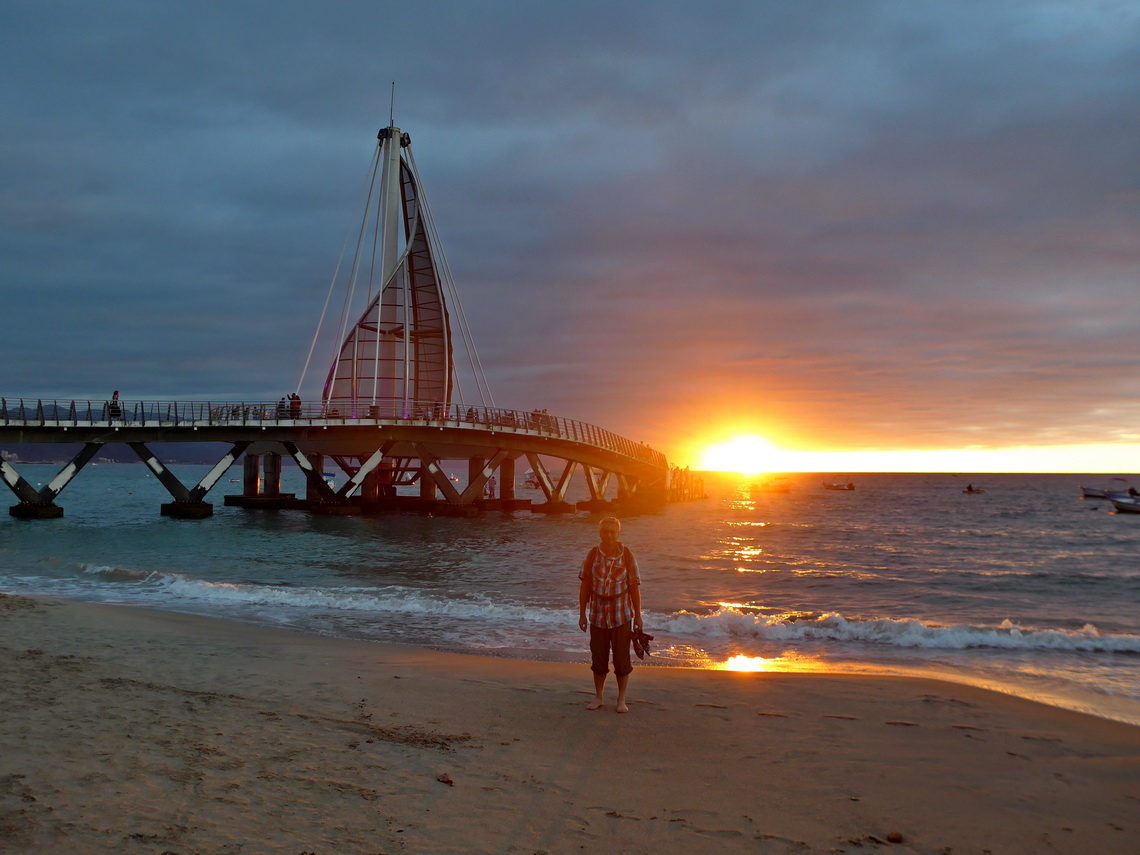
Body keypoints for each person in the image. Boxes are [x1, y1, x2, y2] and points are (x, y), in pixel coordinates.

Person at [578, 516, 642, 713]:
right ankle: (599, 697)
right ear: (600, 533)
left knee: (622, 660)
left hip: (621, 615)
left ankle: (621, 700)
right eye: (605, 531)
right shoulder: (592, 556)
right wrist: (582, 613)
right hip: (597, 615)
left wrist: (638, 616)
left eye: (612, 532)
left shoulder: (628, 556)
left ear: (618, 534)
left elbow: (634, 587)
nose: (608, 535)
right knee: (598, 658)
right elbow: (585, 586)